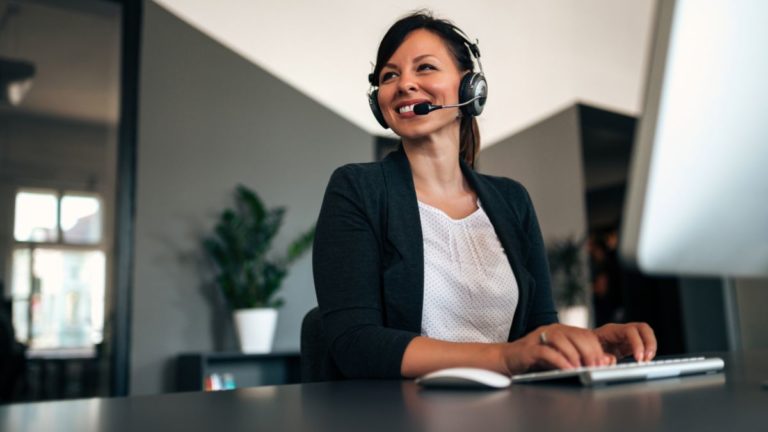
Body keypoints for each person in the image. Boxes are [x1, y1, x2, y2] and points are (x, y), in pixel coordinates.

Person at [312, 11, 656, 380]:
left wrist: (585, 344)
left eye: (424, 68)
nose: (405, 84)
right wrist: (506, 357)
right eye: (389, 76)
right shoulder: (357, 189)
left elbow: (538, 328)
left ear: (470, 87)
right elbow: (355, 343)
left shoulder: (511, 200)